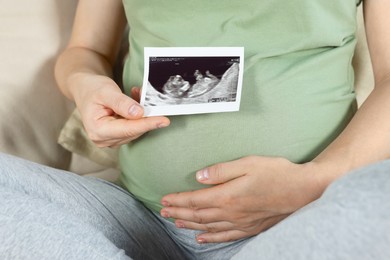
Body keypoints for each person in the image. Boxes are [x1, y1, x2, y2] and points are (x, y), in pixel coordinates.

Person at [1, 0, 390, 259]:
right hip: (138, 219)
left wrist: (316, 181)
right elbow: (84, 51)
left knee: (378, 199)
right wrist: (85, 85)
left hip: (297, 219)